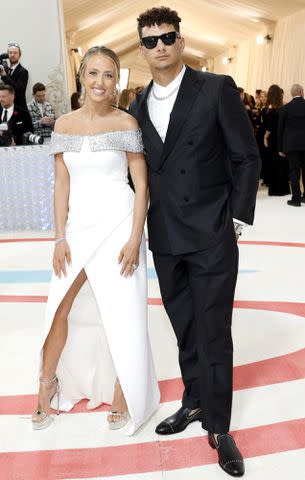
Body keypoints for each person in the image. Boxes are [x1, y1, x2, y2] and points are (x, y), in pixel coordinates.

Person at [130, 6, 260, 477]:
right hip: (164, 237)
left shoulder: (215, 88)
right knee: (184, 326)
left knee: (213, 330)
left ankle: (220, 427)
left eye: (167, 37)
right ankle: (194, 401)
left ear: (181, 41)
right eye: (149, 41)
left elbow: (246, 156)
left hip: (211, 234)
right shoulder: (137, 106)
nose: (159, 46)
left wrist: (236, 218)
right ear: (142, 49)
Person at [31, 45, 160, 435]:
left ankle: (126, 388)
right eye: (93, 74)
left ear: (115, 81)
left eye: (108, 75)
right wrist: (59, 238)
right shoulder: (64, 126)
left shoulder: (127, 124)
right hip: (78, 229)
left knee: (123, 311)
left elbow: (141, 187)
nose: (100, 82)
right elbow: (61, 185)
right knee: (59, 309)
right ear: (82, 76)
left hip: (120, 224)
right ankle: (47, 385)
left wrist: (136, 238)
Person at [278, 84, 305, 206]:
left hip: (291, 145)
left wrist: (280, 148)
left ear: (292, 94)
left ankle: (296, 199)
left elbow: (280, 130)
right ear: (302, 92)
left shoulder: (286, 108)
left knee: (294, 171)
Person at [264, 84, 290, 196]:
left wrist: (265, 138)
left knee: (273, 164)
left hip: (273, 140)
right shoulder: (284, 109)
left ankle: (275, 190)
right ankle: (284, 189)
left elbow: (269, 128)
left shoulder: (271, 110)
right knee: (283, 163)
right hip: (283, 139)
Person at [0, 42, 29, 110]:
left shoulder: (23, 72)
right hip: (5, 108)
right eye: (10, 53)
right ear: (8, 55)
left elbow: (18, 90)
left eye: (15, 53)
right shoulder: (5, 69)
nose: (12, 55)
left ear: (19, 55)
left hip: (19, 109)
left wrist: (4, 75)